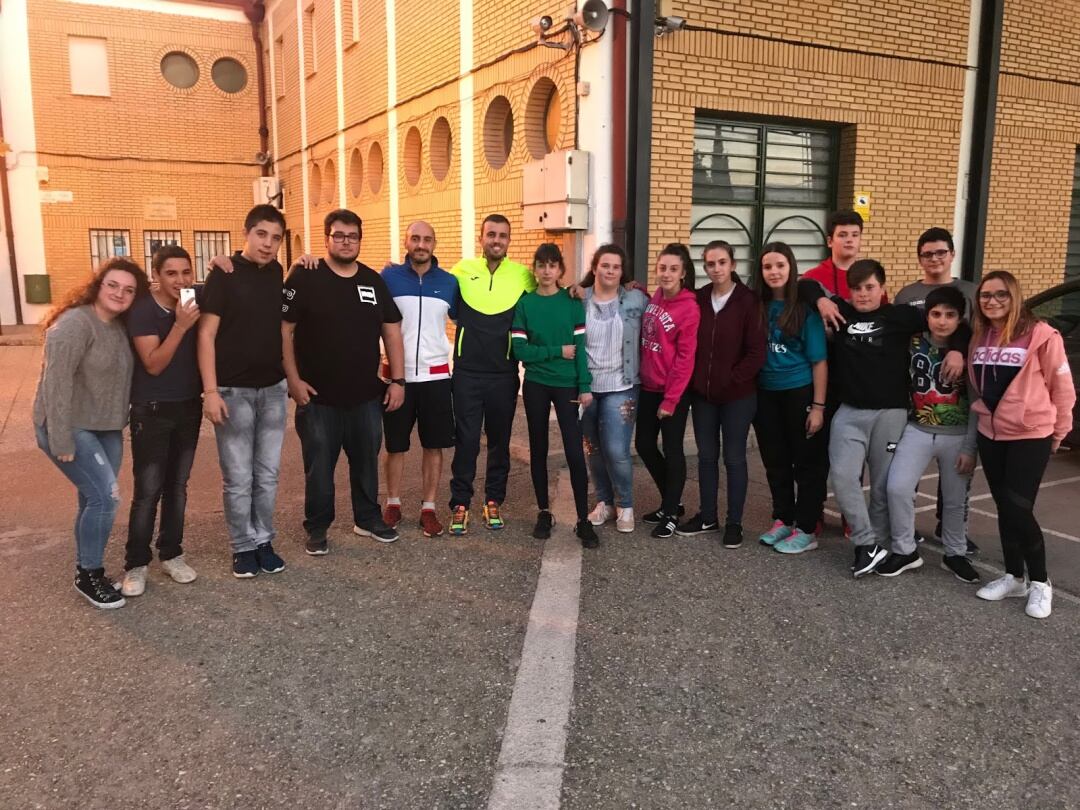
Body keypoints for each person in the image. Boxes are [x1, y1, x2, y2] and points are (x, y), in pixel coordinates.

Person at [802, 259, 968, 578]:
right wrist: (822, 299)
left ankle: (877, 543)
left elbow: (949, 321)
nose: (863, 294)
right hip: (849, 413)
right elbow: (805, 284)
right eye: (856, 289)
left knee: (881, 486)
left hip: (890, 413)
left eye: (869, 287)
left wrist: (958, 349)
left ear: (883, 288)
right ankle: (867, 544)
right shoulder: (842, 312)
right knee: (843, 477)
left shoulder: (901, 316)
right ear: (848, 292)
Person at [282, 209, 405, 554]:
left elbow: (392, 331)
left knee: (366, 462)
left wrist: (398, 380)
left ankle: (368, 519)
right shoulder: (305, 277)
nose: (346, 241)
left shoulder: (372, 281)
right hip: (317, 399)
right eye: (339, 235)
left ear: (359, 240)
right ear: (326, 239)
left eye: (352, 236)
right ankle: (318, 528)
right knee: (319, 470)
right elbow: (284, 329)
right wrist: (292, 379)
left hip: (365, 397)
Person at [33, 258, 147, 608]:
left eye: (129, 290)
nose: (119, 293)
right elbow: (55, 383)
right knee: (107, 497)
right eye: (113, 285)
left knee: (92, 498)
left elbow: (173, 290)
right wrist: (62, 437)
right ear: (98, 284)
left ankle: (86, 569)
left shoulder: (118, 325)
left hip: (106, 427)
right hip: (67, 424)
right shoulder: (74, 323)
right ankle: (90, 574)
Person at [969, 271, 1075, 619]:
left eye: (1001, 294)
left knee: (1018, 507)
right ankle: (1014, 577)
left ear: (1014, 297)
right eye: (986, 295)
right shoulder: (980, 335)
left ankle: (1041, 583)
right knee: (1003, 505)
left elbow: (1062, 389)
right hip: (991, 432)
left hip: (1031, 434)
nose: (992, 301)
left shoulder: (1042, 335)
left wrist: (1059, 432)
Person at [198, 204, 290, 578]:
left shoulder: (277, 273)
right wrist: (210, 391)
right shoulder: (225, 273)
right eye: (261, 235)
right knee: (238, 477)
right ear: (247, 233)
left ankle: (263, 539)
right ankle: (242, 546)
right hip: (232, 391)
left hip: (272, 391)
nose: (268, 244)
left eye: (276, 238)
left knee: (267, 475)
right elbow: (205, 334)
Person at [120, 246, 202, 597]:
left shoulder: (195, 298)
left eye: (186, 272)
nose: (180, 280)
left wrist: (223, 261)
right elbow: (153, 363)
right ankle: (136, 564)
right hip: (151, 410)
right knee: (148, 491)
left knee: (178, 487)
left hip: (188, 406)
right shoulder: (143, 311)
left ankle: (171, 553)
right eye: (171, 273)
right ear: (156, 276)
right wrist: (182, 326)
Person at [882, 286, 979, 581]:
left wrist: (970, 447)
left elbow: (977, 400)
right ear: (927, 315)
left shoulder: (970, 347)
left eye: (950, 315)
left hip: (957, 432)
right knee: (897, 487)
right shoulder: (912, 342)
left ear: (960, 318)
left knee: (954, 498)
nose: (942, 321)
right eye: (936, 314)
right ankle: (905, 549)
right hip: (917, 428)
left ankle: (955, 553)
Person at [448, 214, 536, 535]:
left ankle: (493, 500)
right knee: (467, 441)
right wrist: (395, 270)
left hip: (503, 373)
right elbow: (430, 285)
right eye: (491, 235)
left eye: (502, 235)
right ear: (481, 238)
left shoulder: (523, 276)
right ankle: (460, 503)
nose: (496, 240)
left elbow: (551, 293)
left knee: (499, 441)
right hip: (467, 373)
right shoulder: (462, 271)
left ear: (509, 241)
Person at [893, 227, 978, 554]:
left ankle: (951, 531)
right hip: (919, 405)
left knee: (955, 482)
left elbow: (973, 331)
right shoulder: (908, 293)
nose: (934, 259)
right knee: (903, 480)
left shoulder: (968, 291)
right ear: (919, 258)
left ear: (952, 254)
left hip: (957, 405)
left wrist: (958, 349)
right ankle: (904, 534)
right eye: (927, 254)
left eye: (941, 252)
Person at [678, 240, 765, 548]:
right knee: (706, 457)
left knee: (734, 458)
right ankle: (708, 515)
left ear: (733, 265)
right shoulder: (698, 298)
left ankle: (734, 522)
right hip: (703, 395)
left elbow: (756, 352)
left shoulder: (748, 300)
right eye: (710, 264)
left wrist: (731, 380)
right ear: (705, 268)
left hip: (738, 395)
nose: (716, 269)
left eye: (722, 262)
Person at [511, 243, 597, 547]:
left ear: (560, 270)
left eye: (552, 265)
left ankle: (583, 520)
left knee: (574, 450)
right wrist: (556, 351)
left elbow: (581, 350)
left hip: (567, 385)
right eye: (541, 265)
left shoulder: (572, 301)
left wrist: (585, 386)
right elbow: (521, 351)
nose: (546, 271)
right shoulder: (525, 304)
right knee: (539, 448)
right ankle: (544, 512)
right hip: (535, 384)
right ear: (534, 269)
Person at [380, 221, 457, 538]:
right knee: (395, 446)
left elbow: (473, 319)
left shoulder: (450, 282)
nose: (421, 244)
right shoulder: (388, 277)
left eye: (427, 239)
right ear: (406, 241)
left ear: (434, 243)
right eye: (415, 238)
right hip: (398, 378)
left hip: (437, 376)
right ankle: (393, 503)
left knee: (434, 446)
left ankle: (429, 508)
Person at [751, 242, 829, 554]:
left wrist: (819, 407)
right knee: (775, 461)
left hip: (799, 392)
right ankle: (782, 518)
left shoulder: (804, 310)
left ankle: (807, 528)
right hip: (765, 394)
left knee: (806, 464)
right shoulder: (756, 306)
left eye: (780, 265)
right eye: (768, 267)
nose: (774, 272)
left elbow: (819, 361)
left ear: (790, 268)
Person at [578, 245, 648, 534]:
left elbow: (662, 309)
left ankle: (626, 504)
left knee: (616, 449)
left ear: (622, 272)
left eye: (616, 267)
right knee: (593, 449)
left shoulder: (635, 299)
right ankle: (604, 503)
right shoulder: (579, 299)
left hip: (623, 384)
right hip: (587, 387)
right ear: (594, 268)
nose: (610, 271)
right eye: (605, 265)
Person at [636, 244, 700, 539]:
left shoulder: (689, 307)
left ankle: (671, 512)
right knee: (644, 445)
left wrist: (671, 399)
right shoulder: (657, 296)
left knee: (673, 450)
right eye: (662, 268)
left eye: (673, 269)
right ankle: (670, 501)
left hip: (672, 391)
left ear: (684, 273)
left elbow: (686, 359)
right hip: (648, 386)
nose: (666, 274)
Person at [803, 210, 864, 300]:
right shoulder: (812, 278)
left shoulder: (870, 277)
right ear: (830, 241)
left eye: (855, 235)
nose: (849, 240)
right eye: (842, 235)